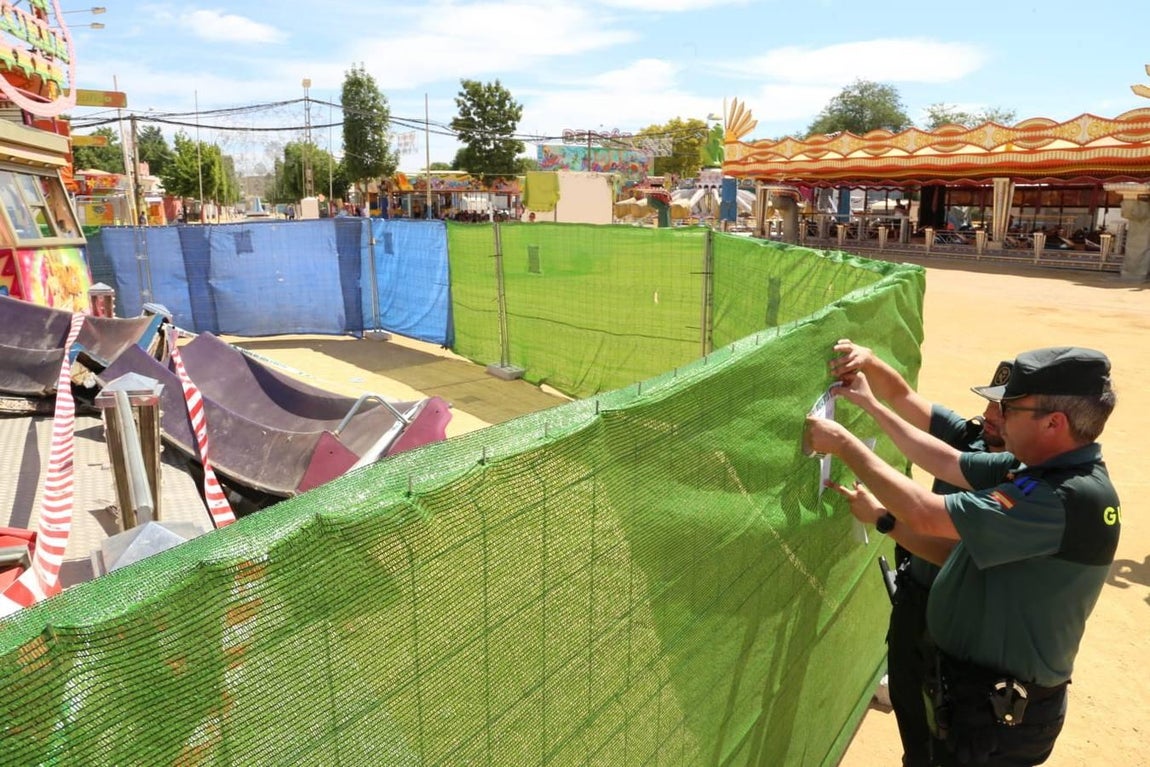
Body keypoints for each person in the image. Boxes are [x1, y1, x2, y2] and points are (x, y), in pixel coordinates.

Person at [806, 347, 1120, 766]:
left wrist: (846, 446)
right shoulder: (1041, 470)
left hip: (995, 718)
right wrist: (869, 405)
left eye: (1011, 407)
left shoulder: (1062, 496)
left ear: (1054, 422)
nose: (998, 416)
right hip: (974, 697)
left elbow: (926, 513)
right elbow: (948, 460)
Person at [827, 341, 1016, 767]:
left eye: (1003, 411)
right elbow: (904, 399)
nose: (989, 416)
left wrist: (884, 519)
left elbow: (950, 551)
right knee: (911, 712)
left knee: (944, 732)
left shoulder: (1016, 484)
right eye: (990, 404)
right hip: (915, 598)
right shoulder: (971, 438)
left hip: (955, 620)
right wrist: (871, 361)